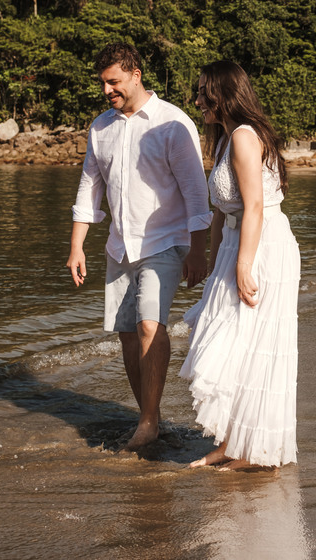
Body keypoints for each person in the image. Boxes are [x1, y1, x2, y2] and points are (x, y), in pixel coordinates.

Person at [67, 42, 211, 452]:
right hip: (119, 247)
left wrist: (198, 251)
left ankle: (147, 423)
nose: (106, 90)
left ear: (136, 74)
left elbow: (196, 195)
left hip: (165, 241)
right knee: (128, 334)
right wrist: (77, 246)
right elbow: (88, 189)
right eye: (103, 83)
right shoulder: (100, 127)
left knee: (150, 325)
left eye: (113, 81)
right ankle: (152, 415)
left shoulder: (172, 123)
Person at [181, 60, 301, 471]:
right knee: (231, 345)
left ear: (223, 94)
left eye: (202, 92)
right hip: (236, 241)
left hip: (263, 244)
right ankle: (231, 444)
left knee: (250, 346)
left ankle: (251, 448)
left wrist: (244, 265)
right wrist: (216, 265)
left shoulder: (246, 138)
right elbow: (221, 212)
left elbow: (253, 207)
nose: (196, 100)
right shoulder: (224, 140)